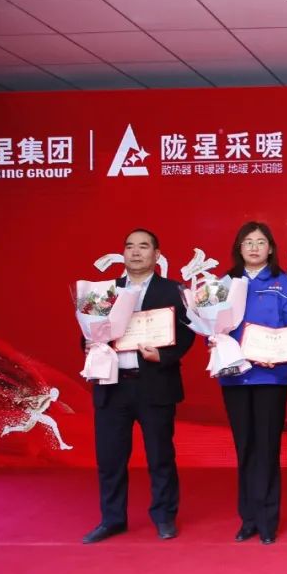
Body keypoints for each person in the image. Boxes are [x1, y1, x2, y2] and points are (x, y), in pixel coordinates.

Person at [82, 228, 194, 544]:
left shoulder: (173, 291)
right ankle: (112, 519)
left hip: (154, 384)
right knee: (110, 458)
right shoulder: (105, 291)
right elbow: (86, 330)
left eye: (143, 247)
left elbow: (189, 334)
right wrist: (90, 343)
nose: (135, 252)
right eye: (129, 246)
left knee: (160, 456)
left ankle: (164, 517)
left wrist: (164, 355)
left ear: (156, 255)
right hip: (113, 385)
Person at [218, 221, 287, 545]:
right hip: (235, 376)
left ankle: (267, 520)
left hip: (271, 375)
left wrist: (277, 353)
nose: (254, 247)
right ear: (239, 248)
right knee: (245, 447)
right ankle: (248, 518)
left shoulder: (282, 282)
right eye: (248, 242)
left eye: (260, 242)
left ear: (271, 248)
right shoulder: (226, 282)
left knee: (266, 447)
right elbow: (213, 324)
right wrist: (213, 339)